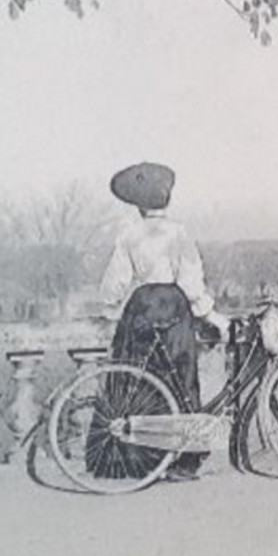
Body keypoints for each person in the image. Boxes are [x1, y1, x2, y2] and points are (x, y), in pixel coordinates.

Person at [97, 161, 229, 482]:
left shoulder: (129, 234)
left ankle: (137, 458)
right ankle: (184, 461)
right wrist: (210, 315)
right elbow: (191, 280)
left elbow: (113, 283)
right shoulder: (178, 232)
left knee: (138, 378)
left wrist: (109, 308)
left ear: (139, 206)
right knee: (181, 380)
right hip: (174, 306)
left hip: (142, 308)